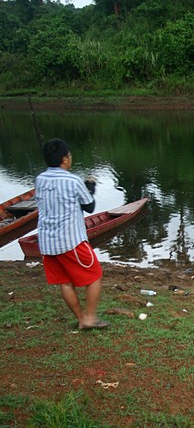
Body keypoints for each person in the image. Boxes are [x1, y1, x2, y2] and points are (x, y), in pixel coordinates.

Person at [35, 138, 109, 330]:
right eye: (69, 155)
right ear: (65, 159)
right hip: (70, 241)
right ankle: (90, 318)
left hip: (47, 243)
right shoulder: (73, 180)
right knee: (94, 276)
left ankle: (81, 318)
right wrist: (90, 188)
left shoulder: (40, 179)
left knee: (65, 282)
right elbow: (90, 206)